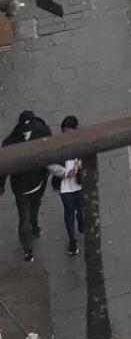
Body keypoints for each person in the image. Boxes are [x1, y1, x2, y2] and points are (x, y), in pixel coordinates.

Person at [1, 109, 52, 261]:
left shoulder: (10, 140)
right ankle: (28, 244)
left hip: (29, 185)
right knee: (26, 216)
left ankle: (32, 233)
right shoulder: (41, 131)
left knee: (29, 212)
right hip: (29, 185)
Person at [49, 115, 85, 255]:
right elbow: (50, 163)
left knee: (80, 207)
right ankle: (72, 240)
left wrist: (79, 165)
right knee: (69, 210)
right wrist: (64, 173)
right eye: (64, 132)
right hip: (65, 184)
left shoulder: (81, 141)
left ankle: (81, 220)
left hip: (79, 181)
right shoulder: (57, 144)